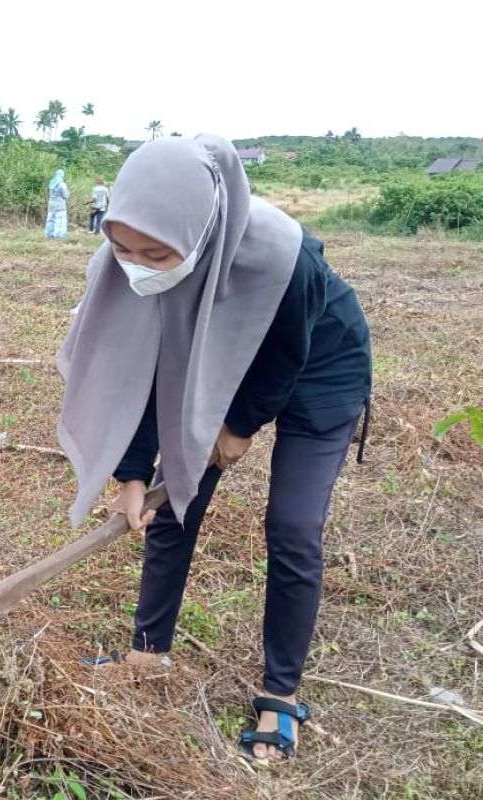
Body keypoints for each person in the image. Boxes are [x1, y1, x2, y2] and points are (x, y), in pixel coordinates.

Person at [56, 135, 371, 765]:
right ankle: (148, 651)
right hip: (214, 362)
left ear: (200, 232)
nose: (137, 263)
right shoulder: (127, 268)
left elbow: (286, 353)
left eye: (154, 251)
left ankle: (280, 696)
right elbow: (143, 371)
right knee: (177, 499)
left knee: (292, 525)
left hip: (319, 369)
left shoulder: (283, 255)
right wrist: (130, 474)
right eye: (122, 246)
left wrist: (239, 425)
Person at [45, 169, 70, 239]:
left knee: (50, 219)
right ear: (62, 175)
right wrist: (69, 193)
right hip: (59, 205)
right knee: (60, 220)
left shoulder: (51, 183)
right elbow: (65, 196)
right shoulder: (62, 184)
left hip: (51, 204)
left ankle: (49, 234)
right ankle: (59, 235)